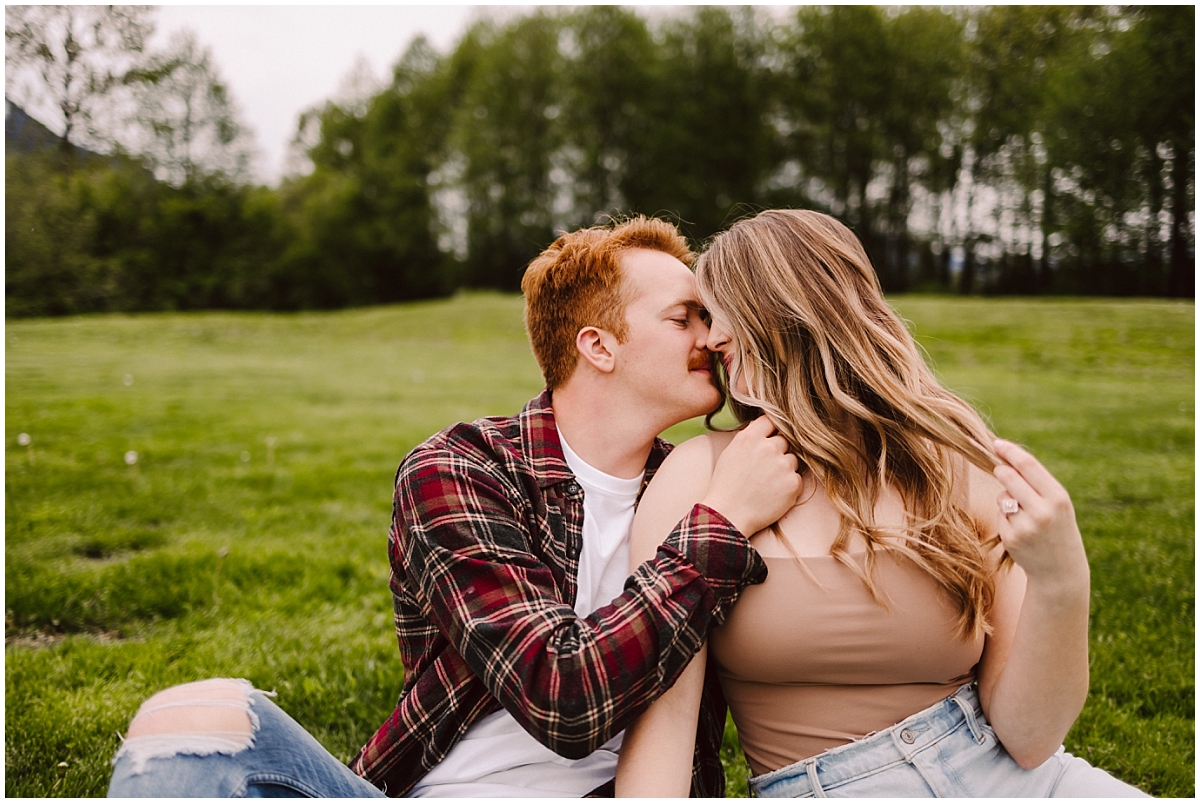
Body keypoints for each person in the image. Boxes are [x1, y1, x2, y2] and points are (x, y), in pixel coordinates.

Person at [107, 215, 803, 797]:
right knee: (187, 722)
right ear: (598, 345)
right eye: (685, 318)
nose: (711, 339)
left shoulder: (701, 481)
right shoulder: (462, 468)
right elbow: (560, 694)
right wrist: (718, 529)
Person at [615, 209, 1148, 798]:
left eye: (725, 314)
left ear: (793, 312)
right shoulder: (705, 475)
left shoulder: (950, 465)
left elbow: (1029, 738)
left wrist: (1062, 579)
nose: (712, 339)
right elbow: (662, 719)